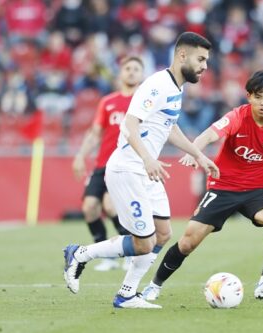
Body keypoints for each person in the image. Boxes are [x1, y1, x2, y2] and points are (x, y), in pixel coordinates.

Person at [140, 70, 263, 302]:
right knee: (188, 241)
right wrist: (194, 151)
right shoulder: (237, 116)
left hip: (257, 191)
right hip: (223, 187)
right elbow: (210, 134)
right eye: (258, 97)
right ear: (248, 96)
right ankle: (154, 285)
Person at [63, 32, 220, 309]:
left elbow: (169, 127)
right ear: (182, 55)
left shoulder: (177, 88)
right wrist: (148, 159)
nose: (204, 66)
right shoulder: (156, 85)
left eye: (206, 60)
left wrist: (198, 154)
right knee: (144, 243)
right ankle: (80, 253)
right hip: (128, 169)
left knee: (163, 234)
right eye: (200, 59)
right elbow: (129, 125)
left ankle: (126, 294)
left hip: (145, 170)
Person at [72, 56, 144, 272]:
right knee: (89, 208)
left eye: (136, 69)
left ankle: (129, 250)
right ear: (120, 73)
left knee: (111, 205)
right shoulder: (108, 101)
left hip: (124, 164)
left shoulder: (142, 102)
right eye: (127, 68)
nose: (131, 72)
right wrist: (80, 156)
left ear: (142, 75)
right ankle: (108, 256)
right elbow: (95, 133)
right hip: (102, 163)